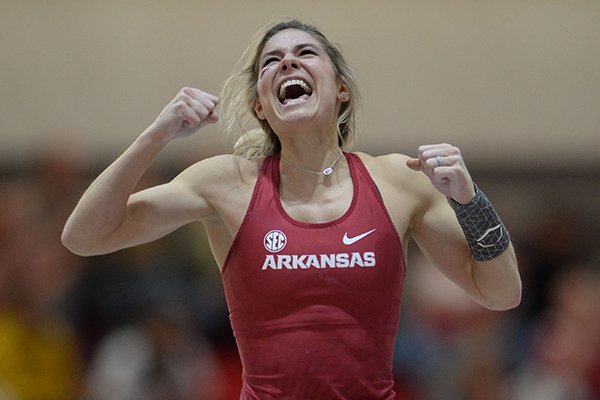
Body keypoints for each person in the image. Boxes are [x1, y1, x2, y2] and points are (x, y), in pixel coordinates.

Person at [62, 19, 521, 399]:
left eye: (305, 52)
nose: (287, 62)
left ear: (341, 90)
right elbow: (83, 236)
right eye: (271, 61)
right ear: (262, 106)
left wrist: (470, 201)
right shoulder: (228, 184)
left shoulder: (397, 180)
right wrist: (155, 136)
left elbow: (501, 293)